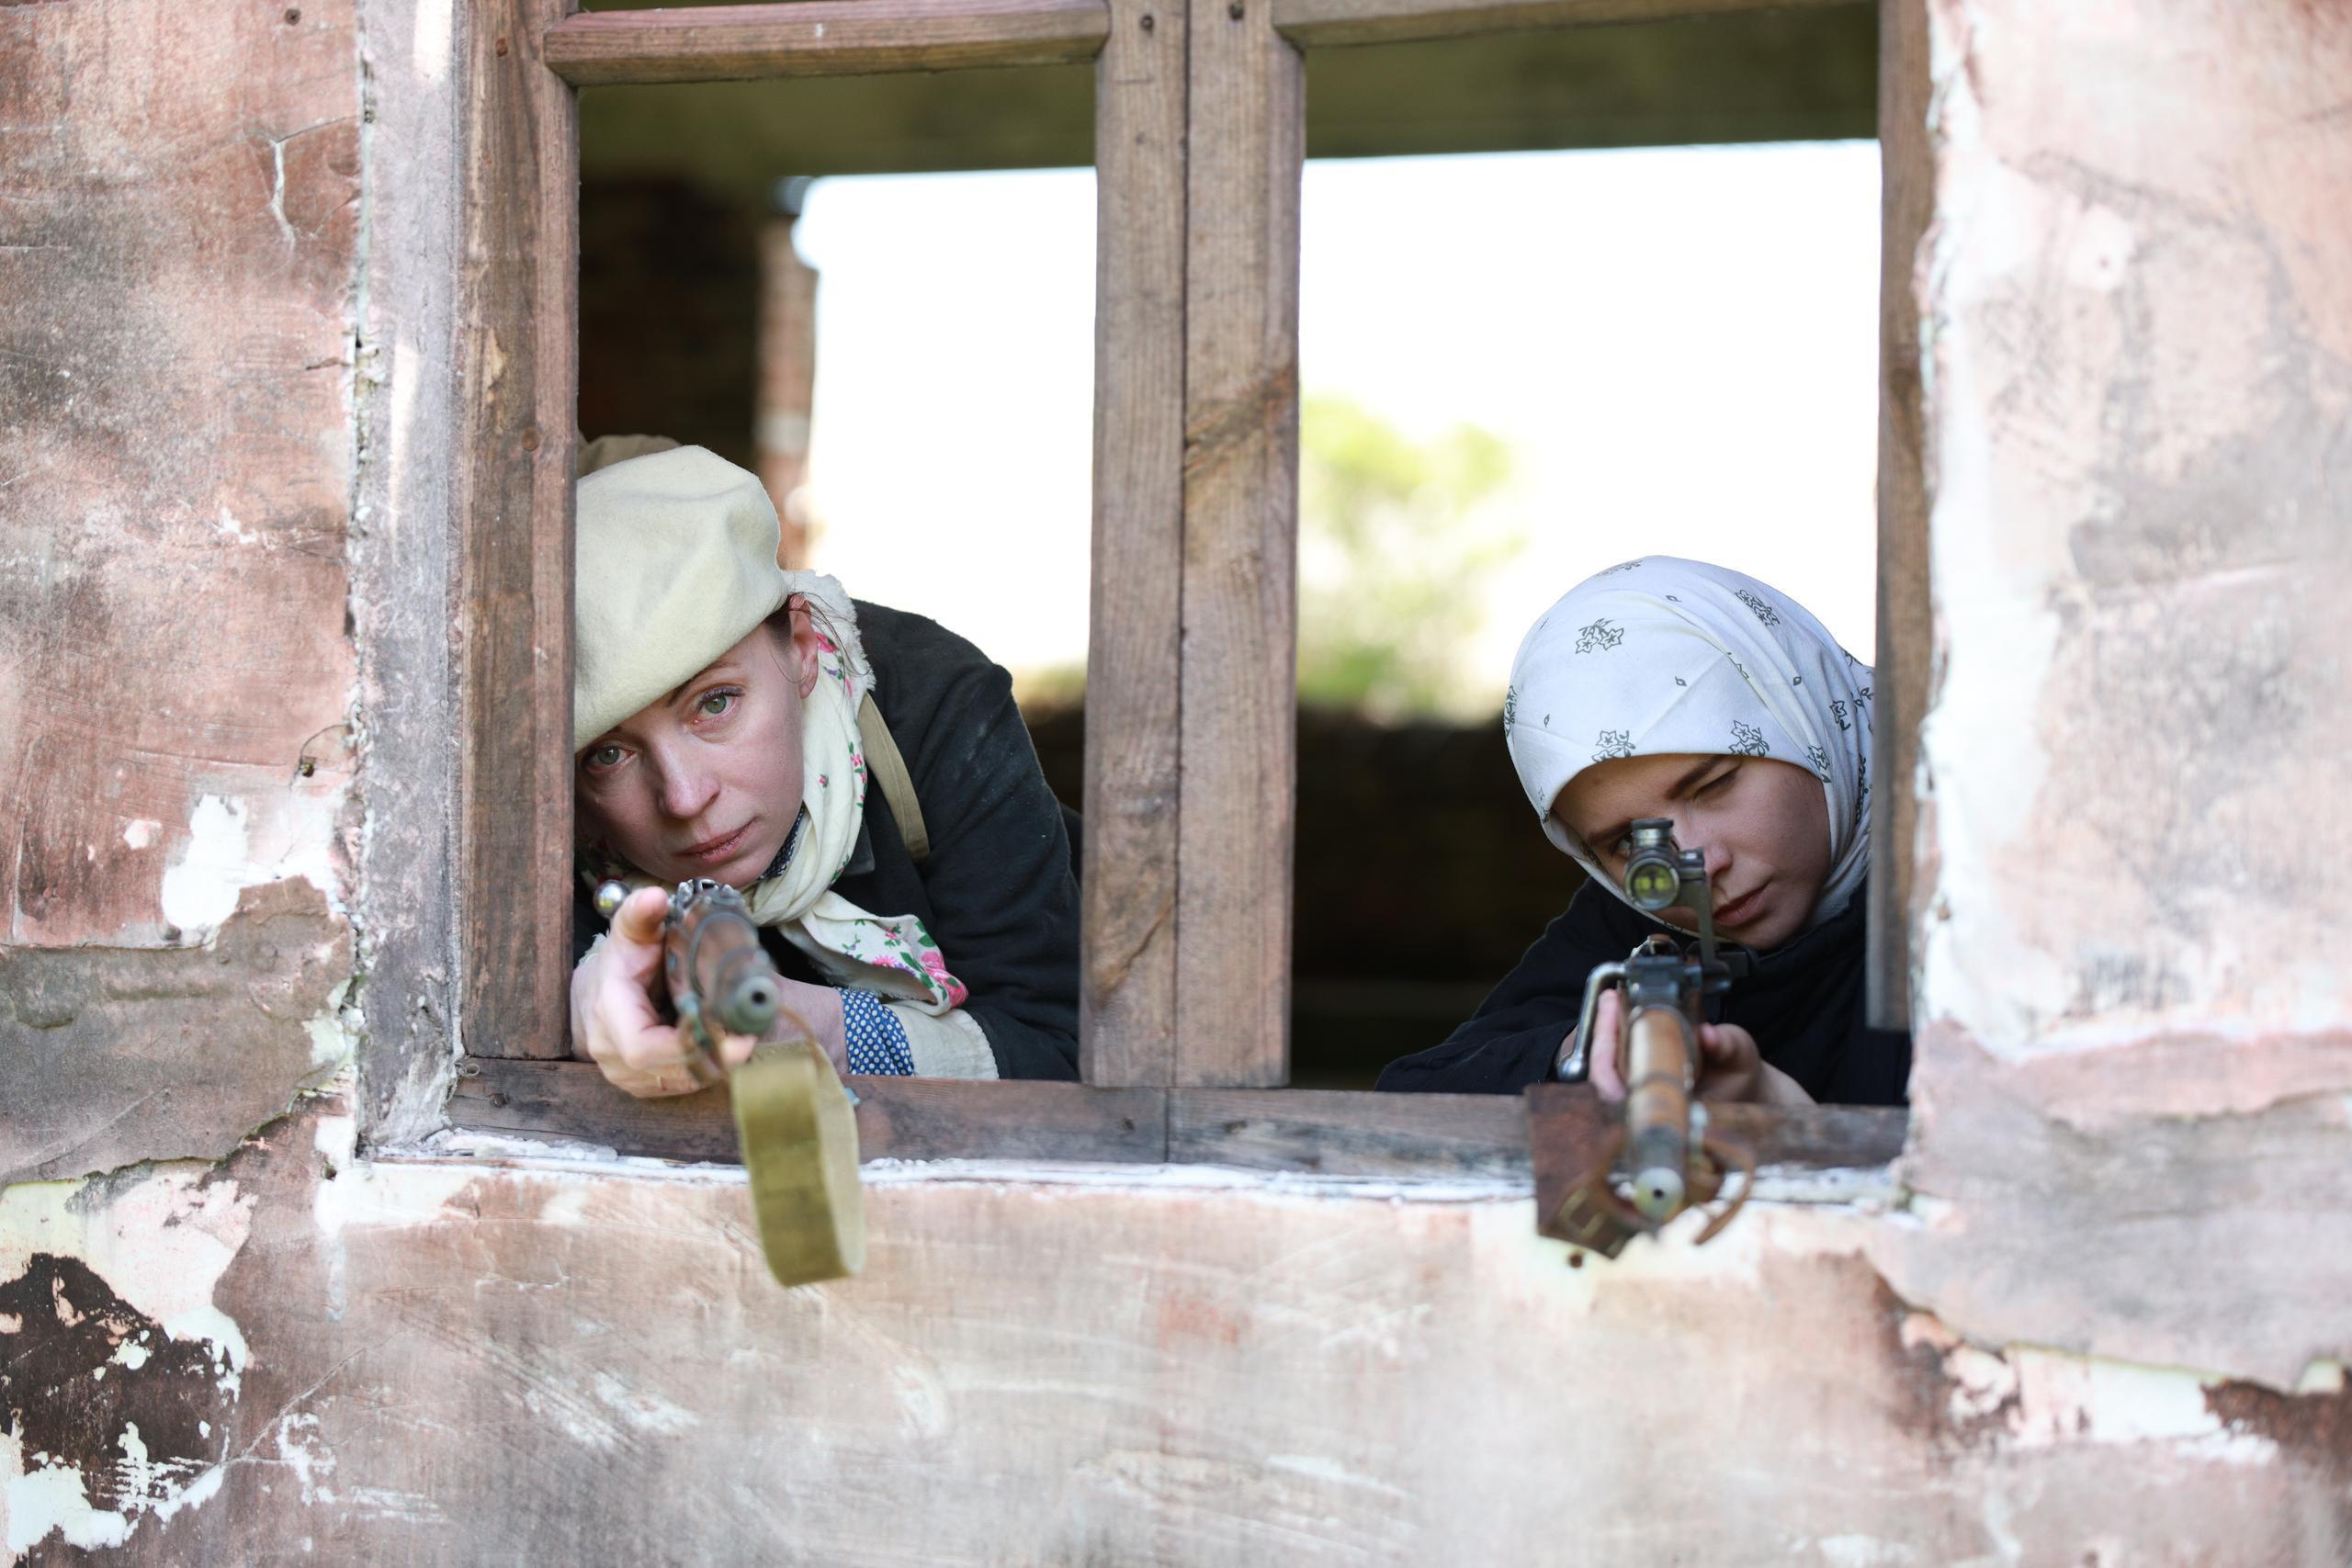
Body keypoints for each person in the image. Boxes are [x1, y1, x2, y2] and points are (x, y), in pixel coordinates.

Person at [566, 443, 1081, 1097]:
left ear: (804, 648)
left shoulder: (938, 708)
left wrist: (828, 1033)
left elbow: (1059, 1050)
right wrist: (574, 1001)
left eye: (715, 703)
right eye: (608, 754)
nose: (686, 798)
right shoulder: (547, 818)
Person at [1376, 556, 1910, 1106]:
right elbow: (1411, 1099)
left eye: (1713, 785)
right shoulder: (1637, 918)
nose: (1698, 865)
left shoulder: (1955, 871)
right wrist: (1587, 1050)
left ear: (1806, 722)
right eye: (1629, 842)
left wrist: (1781, 1113)